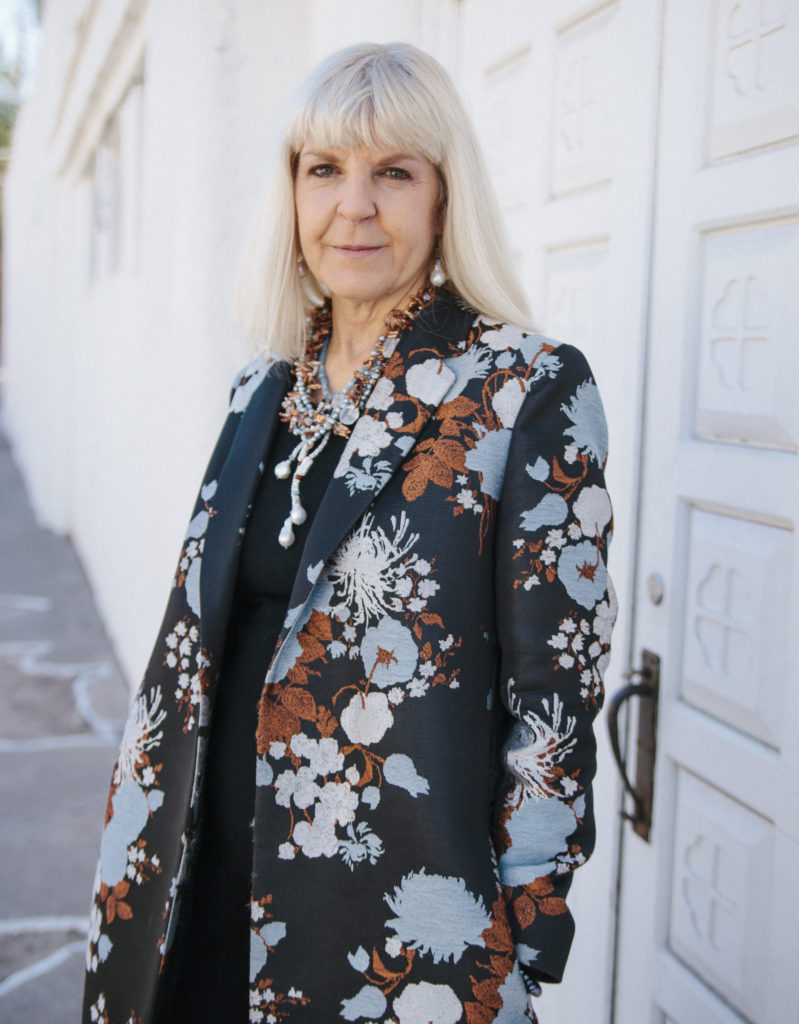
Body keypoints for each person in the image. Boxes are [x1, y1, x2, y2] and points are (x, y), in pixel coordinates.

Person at [83, 41, 615, 1024]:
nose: (354, 206)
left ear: (444, 197)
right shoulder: (263, 383)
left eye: (394, 172)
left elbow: (557, 688)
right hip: (194, 883)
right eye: (324, 168)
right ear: (291, 192)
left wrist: (527, 920)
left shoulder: (523, 389)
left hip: (389, 916)